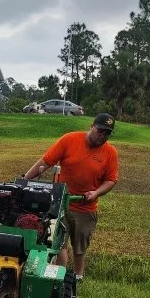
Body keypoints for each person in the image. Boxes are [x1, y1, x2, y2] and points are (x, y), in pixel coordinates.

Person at [23, 113, 118, 282]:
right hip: (61, 203)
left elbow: (111, 180)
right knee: (58, 242)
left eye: (107, 133)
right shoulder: (69, 140)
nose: (102, 135)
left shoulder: (110, 152)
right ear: (91, 126)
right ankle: (58, 278)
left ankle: (78, 277)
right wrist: (24, 180)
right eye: (100, 130)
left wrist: (96, 193)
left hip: (85, 207)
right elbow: (46, 161)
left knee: (80, 246)